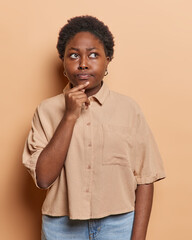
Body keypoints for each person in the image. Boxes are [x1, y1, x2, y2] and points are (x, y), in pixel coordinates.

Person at [22, 15, 165, 240]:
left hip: (118, 224)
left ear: (108, 60)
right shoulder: (47, 110)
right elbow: (43, 179)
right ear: (63, 62)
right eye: (73, 55)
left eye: (93, 55)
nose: (83, 63)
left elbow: (145, 178)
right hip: (61, 227)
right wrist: (69, 116)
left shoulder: (129, 109)